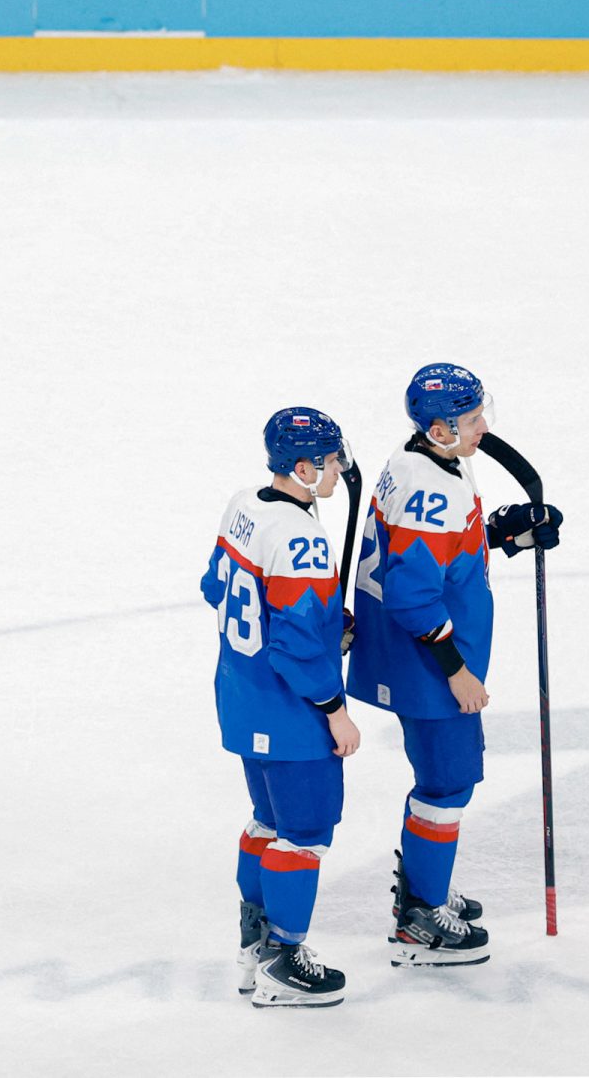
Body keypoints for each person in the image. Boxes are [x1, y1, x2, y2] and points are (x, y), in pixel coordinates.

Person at [346, 364, 562, 967]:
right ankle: (419, 920)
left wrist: (506, 536)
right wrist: (457, 670)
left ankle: (423, 888)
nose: (482, 428)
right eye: (470, 420)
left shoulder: (419, 462)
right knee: (449, 782)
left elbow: (442, 556)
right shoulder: (433, 488)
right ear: (439, 429)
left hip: (413, 655)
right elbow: (416, 595)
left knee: (447, 779)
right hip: (427, 665)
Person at [201, 407, 361, 1009]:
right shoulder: (303, 539)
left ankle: (253, 948)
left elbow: (214, 587)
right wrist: (335, 709)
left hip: (241, 700)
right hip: (292, 714)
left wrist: (322, 622)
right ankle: (282, 959)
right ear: (302, 466)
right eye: (331, 460)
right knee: (305, 833)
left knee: (266, 821)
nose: (341, 469)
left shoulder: (244, 504)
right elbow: (294, 648)